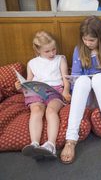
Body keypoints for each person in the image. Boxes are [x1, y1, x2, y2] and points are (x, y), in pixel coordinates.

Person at [60, 15, 101, 164]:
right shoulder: (79, 50)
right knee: (83, 80)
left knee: (99, 78)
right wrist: (76, 82)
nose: (88, 43)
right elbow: (75, 79)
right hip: (87, 97)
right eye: (85, 39)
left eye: (91, 40)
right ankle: (70, 140)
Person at [15, 31, 71, 159]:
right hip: (36, 90)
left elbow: (65, 78)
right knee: (36, 110)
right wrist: (20, 86)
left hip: (55, 90)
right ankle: (34, 144)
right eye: (47, 51)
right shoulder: (32, 63)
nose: (52, 53)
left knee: (51, 111)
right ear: (38, 50)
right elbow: (28, 82)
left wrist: (66, 91)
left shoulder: (60, 59)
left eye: (53, 49)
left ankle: (50, 145)